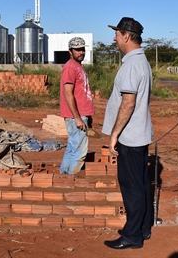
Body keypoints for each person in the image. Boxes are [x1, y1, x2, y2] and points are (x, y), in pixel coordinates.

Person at [101, 17, 153, 250]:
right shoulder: (140, 61)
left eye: (117, 33)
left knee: (131, 187)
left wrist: (114, 134)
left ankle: (132, 236)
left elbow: (128, 103)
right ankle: (142, 228)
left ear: (127, 36)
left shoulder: (132, 64)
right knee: (140, 184)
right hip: (138, 135)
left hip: (130, 137)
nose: (114, 38)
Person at [59, 36, 95, 174]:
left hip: (80, 115)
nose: (81, 52)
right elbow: (68, 93)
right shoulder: (70, 67)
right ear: (70, 51)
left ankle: (64, 176)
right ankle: (72, 178)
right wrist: (77, 117)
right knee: (79, 150)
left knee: (73, 147)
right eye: (77, 50)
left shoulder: (77, 66)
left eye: (83, 49)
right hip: (76, 116)